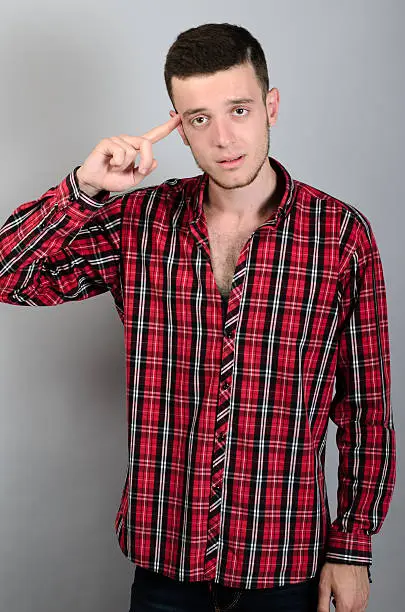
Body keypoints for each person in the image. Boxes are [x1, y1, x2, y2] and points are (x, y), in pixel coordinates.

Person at [0, 22, 396, 612]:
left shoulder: (339, 235)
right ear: (177, 126)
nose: (224, 137)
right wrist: (84, 188)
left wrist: (353, 546)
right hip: (164, 566)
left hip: (285, 565)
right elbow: (10, 276)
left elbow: (364, 406)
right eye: (199, 118)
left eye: (239, 109)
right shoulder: (139, 222)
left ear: (271, 105)